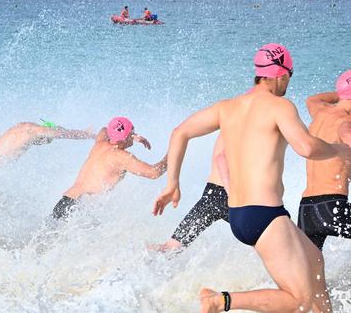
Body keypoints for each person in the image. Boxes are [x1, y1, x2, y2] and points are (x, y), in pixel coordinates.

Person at [152, 43, 351, 312]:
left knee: (314, 259)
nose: (288, 84)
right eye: (289, 77)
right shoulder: (279, 106)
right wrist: (340, 149)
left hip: (240, 213)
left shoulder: (228, 107)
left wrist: (172, 183)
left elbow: (179, 132)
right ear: (281, 74)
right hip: (266, 214)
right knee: (298, 299)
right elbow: (307, 148)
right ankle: (219, 300)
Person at [52, 117, 166, 219]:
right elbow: (154, 172)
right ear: (125, 136)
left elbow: (104, 129)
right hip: (77, 211)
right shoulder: (121, 157)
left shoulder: (100, 143)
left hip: (64, 204)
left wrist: (131, 135)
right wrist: (175, 152)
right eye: (132, 131)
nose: (134, 134)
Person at [298, 70, 351, 250]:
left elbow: (311, 99)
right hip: (331, 207)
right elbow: (347, 135)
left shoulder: (320, 111)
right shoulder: (347, 121)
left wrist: (343, 93)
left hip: (307, 209)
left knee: (308, 273)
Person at [150, 135, 229, 251]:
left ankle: (129, 258)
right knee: (263, 244)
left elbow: (180, 132)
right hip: (234, 195)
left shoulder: (226, 117)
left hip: (212, 196)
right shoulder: (252, 119)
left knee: (170, 248)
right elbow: (222, 158)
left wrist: (172, 183)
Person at [0, 120, 95, 169]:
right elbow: (63, 133)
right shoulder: (37, 131)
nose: (41, 144)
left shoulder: (21, 126)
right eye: (45, 141)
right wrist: (87, 134)